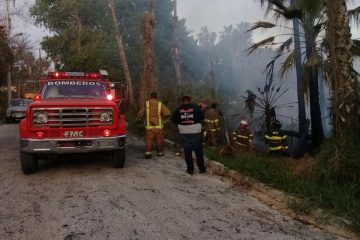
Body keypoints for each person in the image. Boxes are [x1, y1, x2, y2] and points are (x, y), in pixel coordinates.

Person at [171, 95, 206, 175]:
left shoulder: (178, 109)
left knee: (187, 151)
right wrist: (202, 109)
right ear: (189, 100)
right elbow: (202, 117)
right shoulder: (195, 107)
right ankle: (202, 169)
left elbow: (173, 120)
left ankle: (190, 170)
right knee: (199, 151)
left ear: (182, 101)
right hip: (196, 132)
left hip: (184, 133)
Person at [138, 92, 170, 159]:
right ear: (156, 97)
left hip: (149, 127)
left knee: (149, 141)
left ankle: (148, 153)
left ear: (150, 97)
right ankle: (160, 153)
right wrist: (163, 119)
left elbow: (140, 114)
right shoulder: (160, 104)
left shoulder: (146, 104)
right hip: (158, 127)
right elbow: (167, 113)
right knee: (159, 140)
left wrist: (142, 118)